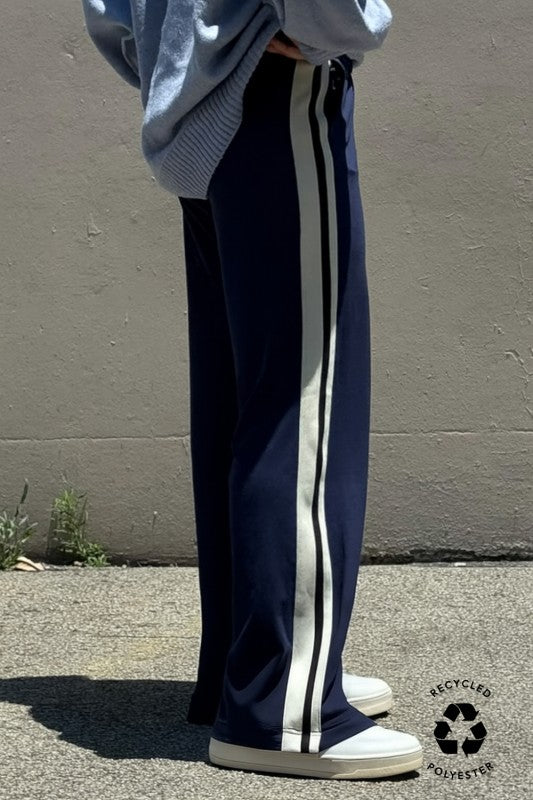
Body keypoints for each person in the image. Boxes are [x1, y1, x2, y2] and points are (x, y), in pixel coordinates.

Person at [80, 0, 423, 780]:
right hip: (273, 96)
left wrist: (180, 68)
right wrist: (333, 31)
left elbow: (109, 9)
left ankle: (250, 675)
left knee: (243, 402)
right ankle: (284, 708)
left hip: (203, 117)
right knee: (304, 404)